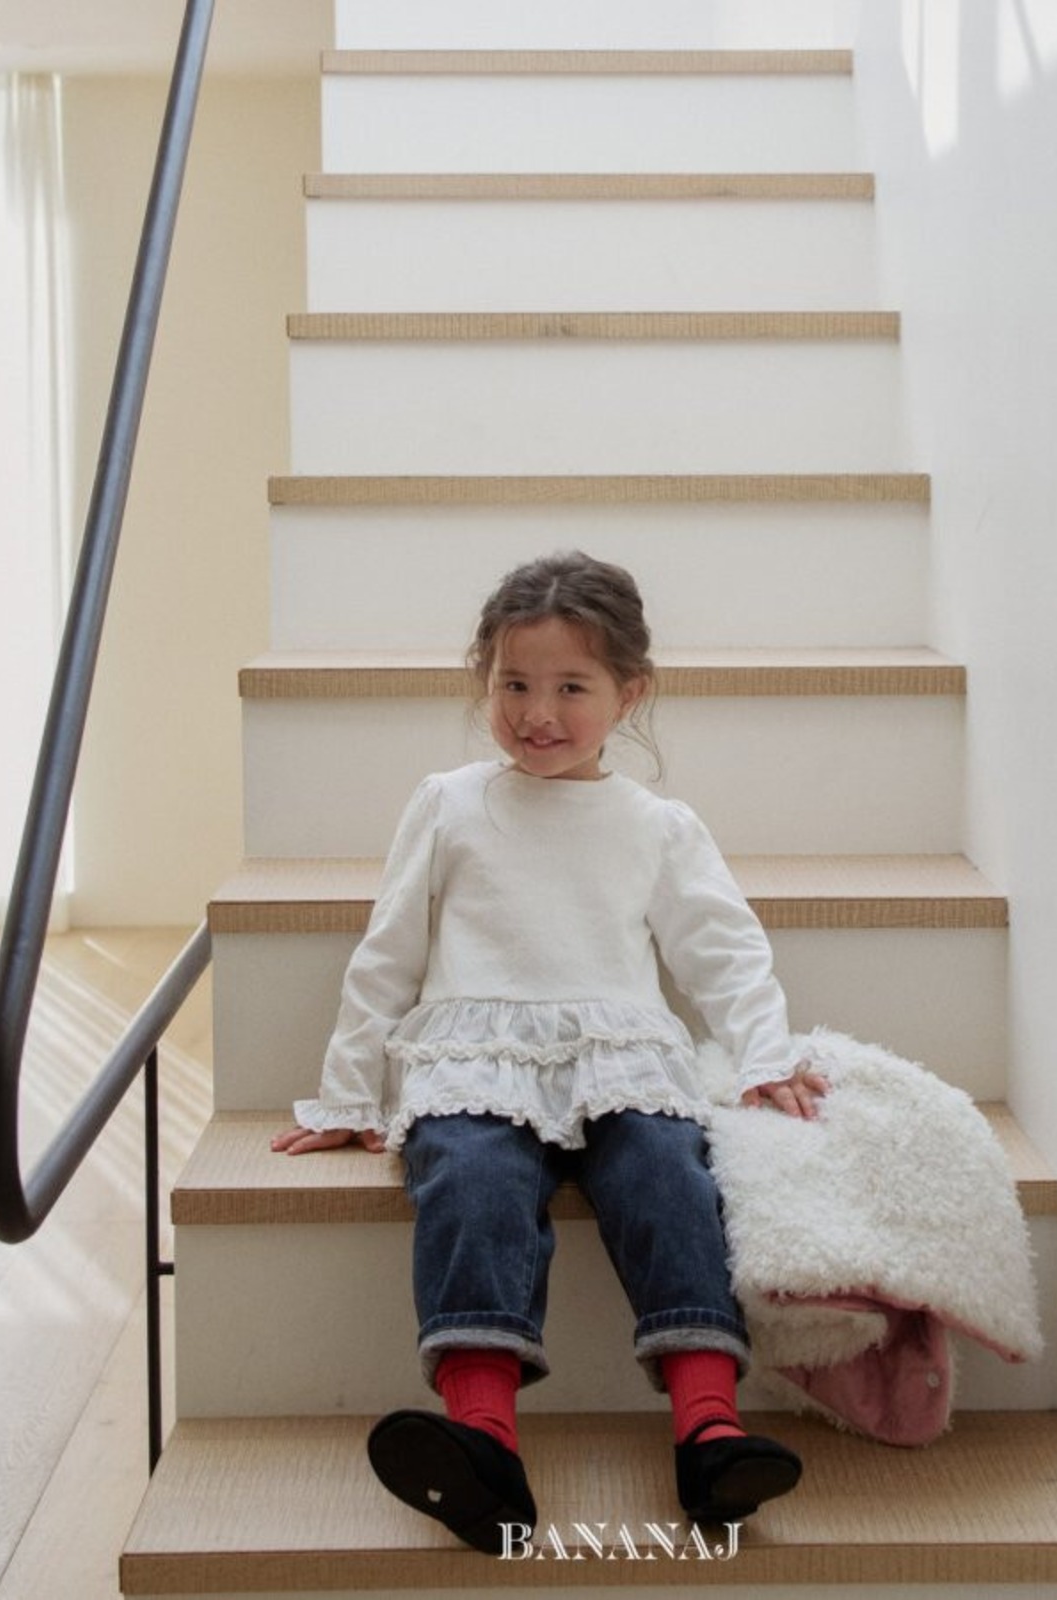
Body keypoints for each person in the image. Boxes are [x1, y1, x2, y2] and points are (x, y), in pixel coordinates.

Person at [273, 551, 827, 1553]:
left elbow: (722, 949)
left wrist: (763, 1055)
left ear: (629, 694)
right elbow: (387, 953)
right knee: (470, 1178)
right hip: (475, 1055)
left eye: (571, 687)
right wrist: (348, 1091)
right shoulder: (449, 803)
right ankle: (481, 1443)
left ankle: (710, 1431)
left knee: (666, 1174)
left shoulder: (656, 825)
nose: (537, 712)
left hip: (618, 1053)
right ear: (482, 681)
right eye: (513, 685)